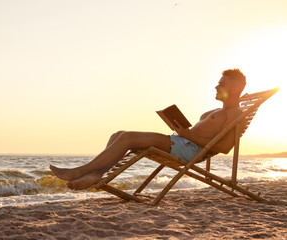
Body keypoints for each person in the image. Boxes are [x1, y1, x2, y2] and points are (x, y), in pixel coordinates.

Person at [50, 69, 247, 190]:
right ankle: (95, 174)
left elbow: (225, 147)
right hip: (183, 143)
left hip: (191, 150)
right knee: (118, 134)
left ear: (236, 89)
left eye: (222, 84)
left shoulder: (235, 113)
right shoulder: (218, 111)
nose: (216, 86)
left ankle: (79, 171)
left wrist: (189, 135)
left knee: (127, 138)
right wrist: (183, 131)